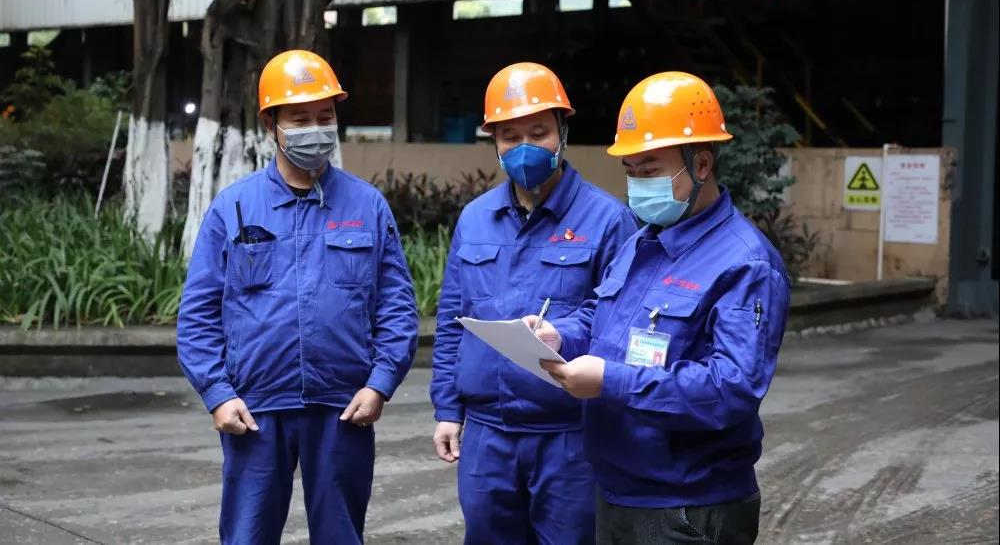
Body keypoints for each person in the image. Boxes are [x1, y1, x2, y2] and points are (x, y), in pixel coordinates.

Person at [529, 72, 790, 545]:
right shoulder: (641, 242)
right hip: (618, 490)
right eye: (630, 171)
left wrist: (610, 381)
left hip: (688, 504)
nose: (636, 185)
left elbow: (731, 388)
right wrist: (559, 335)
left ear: (702, 163)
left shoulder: (745, 263)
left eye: (649, 171)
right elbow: (601, 318)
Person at [177, 49, 418, 545]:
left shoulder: (367, 205)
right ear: (271, 124)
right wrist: (217, 393)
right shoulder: (234, 207)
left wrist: (380, 383)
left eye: (325, 117)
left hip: (343, 406)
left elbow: (396, 307)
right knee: (247, 536)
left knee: (340, 535)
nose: (316, 129)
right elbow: (198, 313)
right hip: (254, 408)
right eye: (300, 119)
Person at [430, 62, 637, 544]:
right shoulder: (475, 219)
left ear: (563, 132)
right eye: (510, 136)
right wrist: (447, 409)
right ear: (494, 143)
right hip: (487, 435)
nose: (525, 147)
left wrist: (563, 333)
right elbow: (452, 321)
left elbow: (618, 320)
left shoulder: (607, 220)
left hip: (568, 437)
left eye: (539, 132)